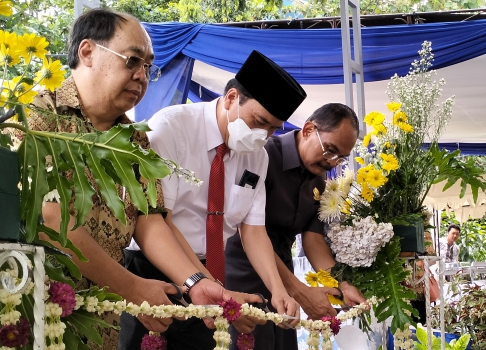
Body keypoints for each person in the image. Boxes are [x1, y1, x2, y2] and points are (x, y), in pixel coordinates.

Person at [28, 10, 260, 350]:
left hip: (97, 320)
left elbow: (149, 219)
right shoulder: (37, 112)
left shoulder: (134, 140)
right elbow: (52, 220)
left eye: (148, 67)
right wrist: (133, 288)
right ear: (87, 52)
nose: (142, 76)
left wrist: (196, 282)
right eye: (132, 60)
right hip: (27, 312)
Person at [121, 50, 305, 349]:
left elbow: (253, 230)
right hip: (155, 270)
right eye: (259, 121)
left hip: (211, 278)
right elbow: (159, 220)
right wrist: (208, 285)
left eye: (273, 128)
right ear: (231, 98)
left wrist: (278, 289)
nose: (263, 135)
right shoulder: (171, 128)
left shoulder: (257, 157)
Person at [223, 103, 367, 349]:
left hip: (285, 283)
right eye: (330, 150)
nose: (333, 163)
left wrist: (341, 284)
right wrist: (298, 291)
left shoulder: (319, 182)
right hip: (243, 277)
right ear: (309, 129)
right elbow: (250, 232)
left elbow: (313, 240)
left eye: (341, 158)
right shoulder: (263, 156)